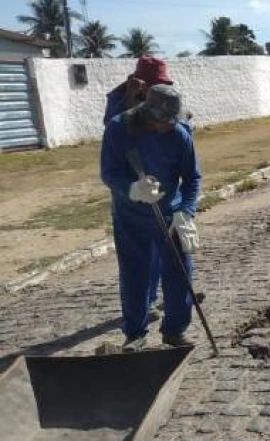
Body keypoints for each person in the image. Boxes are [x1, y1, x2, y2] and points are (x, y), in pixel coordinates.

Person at [101, 85, 201, 352]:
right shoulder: (119, 128)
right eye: (162, 122)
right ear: (147, 114)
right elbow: (109, 173)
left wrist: (186, 211)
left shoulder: (179, 134)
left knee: (180, 272)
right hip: (130, 214)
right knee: (136, 273)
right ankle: (135, 333)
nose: (167, 126)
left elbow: (192, 178)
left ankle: (175, 330)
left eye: (172, 121)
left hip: (170, 213)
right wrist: (133, 189)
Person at [103, 57, 175, 322]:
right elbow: (113, 129)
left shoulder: (164, 99)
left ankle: (155, 298)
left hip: (159, 183)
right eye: (153, 85)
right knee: (134, 258)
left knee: (159, 250)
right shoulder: (119, 98)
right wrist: (129, 101)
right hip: (129, 190)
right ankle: (138, 310)